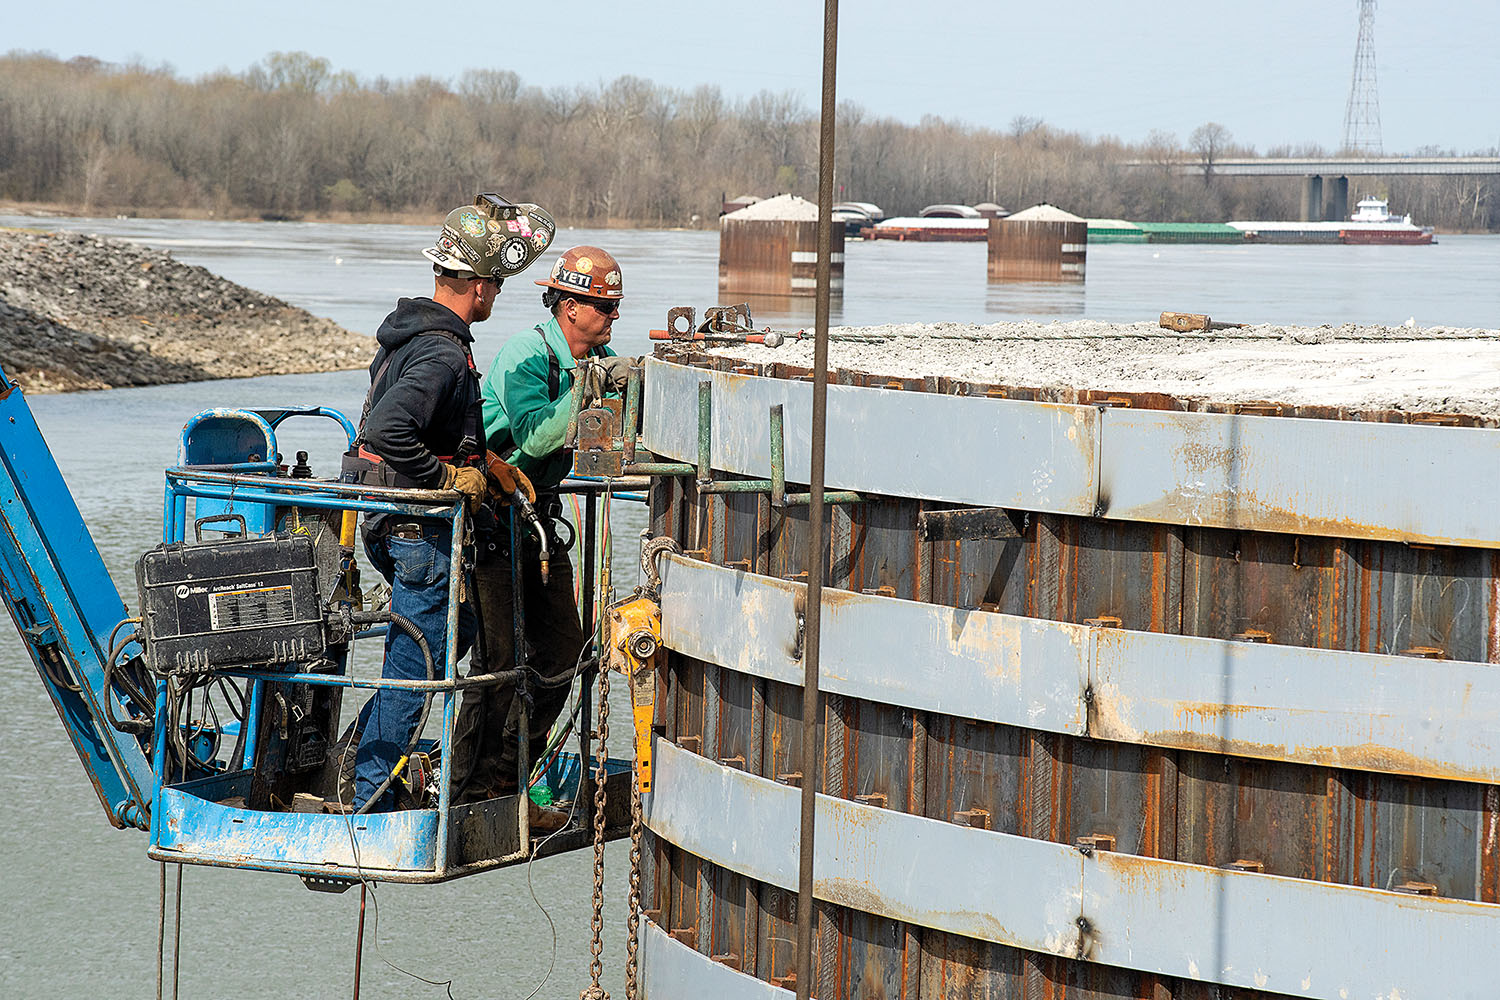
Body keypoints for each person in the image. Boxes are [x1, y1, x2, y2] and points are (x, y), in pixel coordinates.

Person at [345, 198, 551, 813]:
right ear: (482, 286)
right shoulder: (441, 351)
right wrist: (444, 478)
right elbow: (390, 431)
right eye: (496, 284)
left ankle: (360, 762)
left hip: (387, 516)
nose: (496, 296)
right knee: (420, 662)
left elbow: (425, 427)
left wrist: (489, 466)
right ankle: (368, 798)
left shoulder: (414, 334)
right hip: (413, 522)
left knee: (433, 644)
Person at [450, 245, 635, 804]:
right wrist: (588, 388)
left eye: (615, 307)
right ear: (570, 307)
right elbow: (534, 438)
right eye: (604, 308)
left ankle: (510, 772)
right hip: (489, 523)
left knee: (564, 651)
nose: (613, 318)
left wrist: (624, 394)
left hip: (537, 527)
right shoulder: (526, 357)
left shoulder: (586, 364)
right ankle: (465, 789)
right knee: (497, 664)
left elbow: (607, 439)